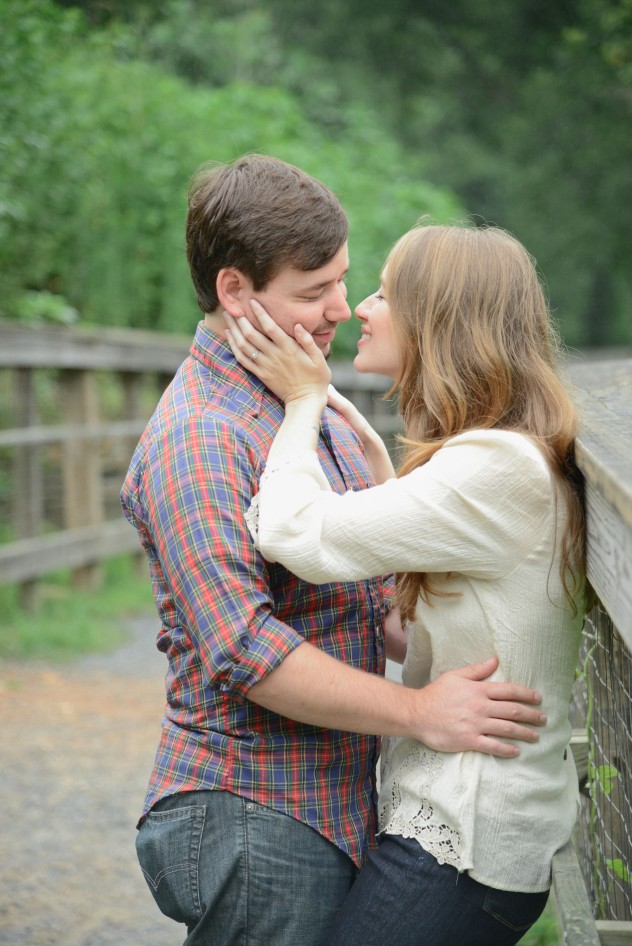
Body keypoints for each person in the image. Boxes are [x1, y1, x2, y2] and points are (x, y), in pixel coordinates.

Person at [121, 156, 547, 946]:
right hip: (252, 809)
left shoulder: (305, 405)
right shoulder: (200, 437)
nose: (341, 309)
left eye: (343, 281)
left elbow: (367, 600)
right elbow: (244, 649)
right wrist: (419, 711)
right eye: (313, 291)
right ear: (235, 292)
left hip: (330, 807)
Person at [224, 220, 587, 946]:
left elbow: (294, 533)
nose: (360, 307)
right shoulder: (501, 459)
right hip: (463, 835)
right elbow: (423, 617)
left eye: (387, 294)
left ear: (437, 319)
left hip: (462, 846)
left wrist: (303, 401)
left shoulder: (496, 469)